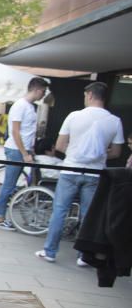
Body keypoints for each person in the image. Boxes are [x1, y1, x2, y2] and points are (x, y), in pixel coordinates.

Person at [36, 82, 123, 264]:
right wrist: (98, 153)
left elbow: (60, 145)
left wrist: (75, 152)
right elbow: (116, 153)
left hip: (70, 169)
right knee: (88, 215)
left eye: (85, 95)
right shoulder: (115, 121)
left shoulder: (74, 116)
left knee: (59, 211)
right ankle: (83, 256)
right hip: (95, 173)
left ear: (90, 95)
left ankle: (50, 251)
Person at [0, 77, 49, 229]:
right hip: (17, 149)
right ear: (37, 90)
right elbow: (15, 132)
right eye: (43, 91)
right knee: (9, 185)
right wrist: (25, 153)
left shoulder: (30, 106)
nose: (43, 95)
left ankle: (1, 215)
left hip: (21, 149)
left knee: (13, 183)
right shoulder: (21, 106)